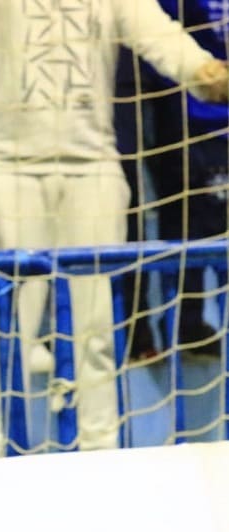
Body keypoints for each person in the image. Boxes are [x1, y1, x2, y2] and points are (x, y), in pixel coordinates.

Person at [0, 0, 228, 457]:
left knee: (96, 327)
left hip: (92, 161)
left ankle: (98, 450)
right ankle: (1, 454)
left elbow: (157, 32)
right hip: (0, 162)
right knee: (5, 330)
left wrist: (202, 70)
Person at [117, 0, 229, 363]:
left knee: (191, 207)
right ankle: (140, 328)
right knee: (135, 199)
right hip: (129, 75)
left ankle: (186, 324)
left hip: (187, 81)